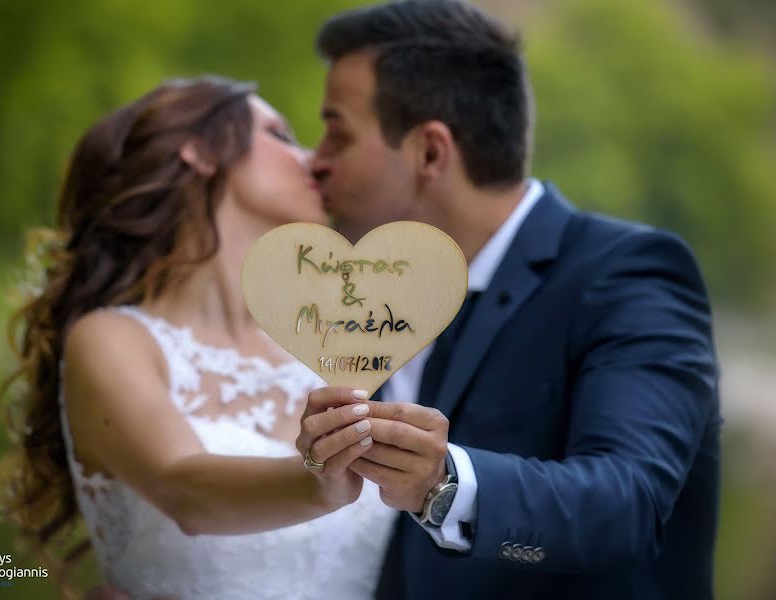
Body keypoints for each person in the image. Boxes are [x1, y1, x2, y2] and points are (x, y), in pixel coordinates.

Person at [298, 1, 721, 599]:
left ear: (430, 153)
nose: (315, 161)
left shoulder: (628, 274)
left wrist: (441, 484)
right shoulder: (362, 303)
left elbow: (628, 502)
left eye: (337, 134)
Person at [0, 77, 397, 600]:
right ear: (199, 151)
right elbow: (183, 488)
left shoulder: (332, 344)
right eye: (279, 135)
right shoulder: (112, 339)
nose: (313, 159)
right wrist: (320, 480)